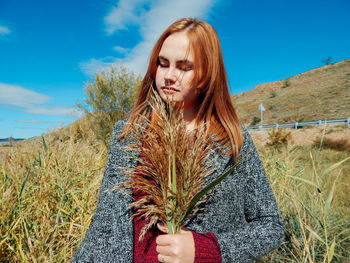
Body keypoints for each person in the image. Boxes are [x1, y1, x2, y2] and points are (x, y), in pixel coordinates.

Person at [71, 18, 284, 263]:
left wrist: (207, 250)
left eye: (184, 67)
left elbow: (271, 226)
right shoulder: (128, 133)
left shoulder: (231, 139)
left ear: (207, 74)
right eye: (163, 64)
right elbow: (105, 225)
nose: (169, 76)